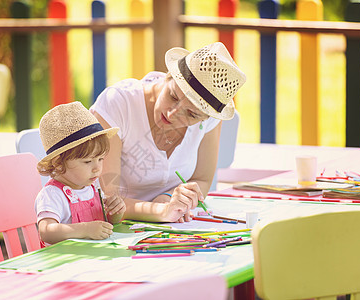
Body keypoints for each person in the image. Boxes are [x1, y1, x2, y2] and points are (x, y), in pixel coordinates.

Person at [90, 42, 246, 223]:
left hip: (172, 227)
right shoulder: (118, 104)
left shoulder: (211, 116)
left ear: (205, 118)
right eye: (173, 96)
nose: (172, 114)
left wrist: (168, 198)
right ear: (168, 77)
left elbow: (202, 180)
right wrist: (162, 211)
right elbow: (108, 203)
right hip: (109, 229)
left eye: (192, 114)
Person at [35, 101, 125, 245]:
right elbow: (46, 231)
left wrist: (115, 213)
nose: (97, 168)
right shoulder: (52, 194)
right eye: (87, 162)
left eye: (100, 159)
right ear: (58, 163)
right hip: (63, 262)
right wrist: (84, 229)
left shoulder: (91, 188)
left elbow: (103, 224)